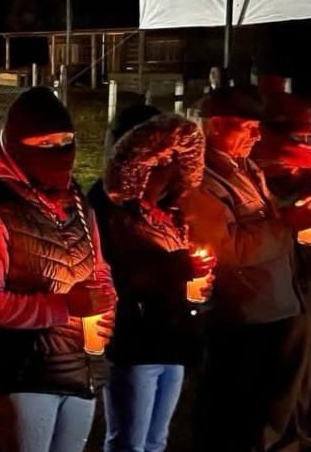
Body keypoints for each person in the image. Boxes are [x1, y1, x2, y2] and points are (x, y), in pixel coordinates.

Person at [0, 87, 116, 452]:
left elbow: (99, 268)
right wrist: (63, 307)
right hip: (20, 378)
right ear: (16, 148)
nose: (60, 153)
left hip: (79, 371)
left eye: (67, 142)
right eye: (45, 144)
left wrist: (106, 307)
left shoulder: (76, 201)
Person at [179, 89, 311, 452]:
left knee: (255, 410)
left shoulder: (243, 166)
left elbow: (261, 216)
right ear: (215, 126)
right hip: (242, 314)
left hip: (270, 305)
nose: (257, 136)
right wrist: (289, 224)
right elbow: (226, 249)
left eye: (258, 127)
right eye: (247, 127)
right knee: (229, 412)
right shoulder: (202, 179)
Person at [92, 114, 214, 452]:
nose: (166, 169)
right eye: (158, 160)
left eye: (174, 160)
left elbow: (187, 270)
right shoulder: (109, 209)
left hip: (173, 339)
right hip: (135, 342)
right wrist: (175, 268)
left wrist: (199, 281)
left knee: (157, 439)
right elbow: (115, 271)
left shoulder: (173, 211)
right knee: (129, 441)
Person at [250, 92, 311, 450]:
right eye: (298, 135)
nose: (306, 142)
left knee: (309, 366)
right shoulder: (265, 167)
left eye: (308, 134)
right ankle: (274, 440)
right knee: (288, 366)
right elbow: (273, 211)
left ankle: (296, 431)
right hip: (300, 273)